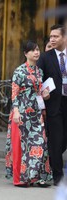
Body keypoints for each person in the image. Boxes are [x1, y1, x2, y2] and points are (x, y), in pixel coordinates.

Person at [5, 40, 52, 187]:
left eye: (38, 50)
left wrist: (45, 94)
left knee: (40, 143)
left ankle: (37, 177)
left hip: (36, 113)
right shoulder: (19, 71)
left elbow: (39, 92)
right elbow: (14, 93)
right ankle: (22, 177)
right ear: (26, 53)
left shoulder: (39, 71)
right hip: (22, 112)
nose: (36, 52)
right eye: (33, 50)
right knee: (23, 146)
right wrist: (16, 112)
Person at [37, 24, 67, 186]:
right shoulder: (45, 57)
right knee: (56, 138)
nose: (52, 39)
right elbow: (37, 79)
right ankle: (57, 175)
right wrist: (42, 92)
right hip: (54, 103)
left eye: (56, 36)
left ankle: (49, 157)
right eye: (51, 37)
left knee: (63, 139)